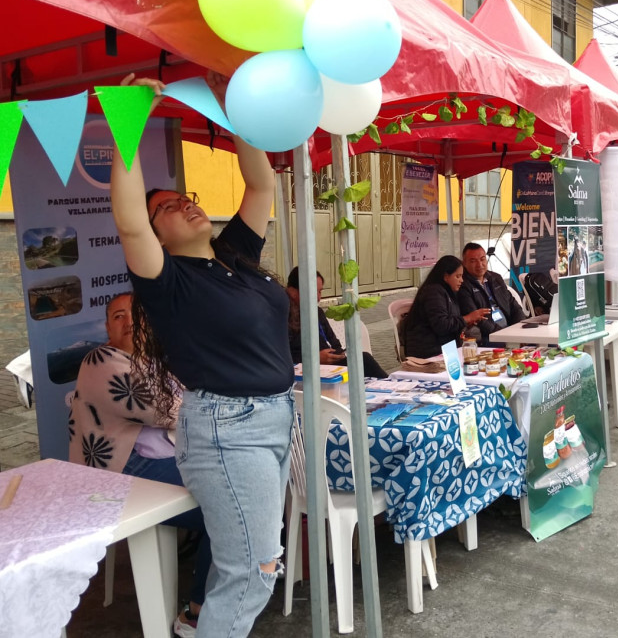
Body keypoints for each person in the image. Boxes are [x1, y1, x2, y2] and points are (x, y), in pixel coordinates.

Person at [111, 73, 294, 637]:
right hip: (227, 428)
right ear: (155, 233)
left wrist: (231, 106)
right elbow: (126, 218)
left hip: (274, 416)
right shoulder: (166, 280)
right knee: (253, 573)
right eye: (167, 206)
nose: (185, 205)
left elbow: (261, 185)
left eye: (187, 198)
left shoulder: (233, 255)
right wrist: (131, 118)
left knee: (248, 568)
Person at [68, 293, 210, 637]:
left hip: (160, 462)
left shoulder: (153, 360)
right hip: (121, 474)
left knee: (239, 494)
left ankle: (233, 580)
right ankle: (196, 614)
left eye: (135, 315)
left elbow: (193, 397)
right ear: (107, 327)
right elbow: (170, 410)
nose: (128, 322)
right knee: (224, 510)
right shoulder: (101, 359)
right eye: (118, 316)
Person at [285, 267, 387, 378]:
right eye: (314, 292)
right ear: (293, 292)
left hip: (330, 366)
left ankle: (390, 386)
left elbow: (332, 340)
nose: (318, 297)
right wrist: (314, 358)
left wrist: (338, 353)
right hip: (304, 371)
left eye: (320, 291)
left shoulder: (317, 312)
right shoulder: (283, 316)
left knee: (362, 359)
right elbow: (283, 356)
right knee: (364, 361)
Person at [403, 255, 489, 358]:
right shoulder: (433, 292)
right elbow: (441, 325)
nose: (462, 280)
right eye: (457, 276)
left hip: (444, 348)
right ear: (445, 276)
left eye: (462, 276)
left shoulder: (449, 293)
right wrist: (467, 318)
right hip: (428, 352)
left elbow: (450, 321)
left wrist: (466, 323)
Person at [457, 243, 525, 346]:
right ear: (464, 264)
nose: (479, 265)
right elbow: (479, 320)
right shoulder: (463, 285)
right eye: (473, 261)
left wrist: (520, 328)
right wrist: (505, 335)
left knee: (542, 341)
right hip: (488, 336)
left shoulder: (495, 278)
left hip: (510, 330)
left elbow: (513, 305)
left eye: (482, 259)